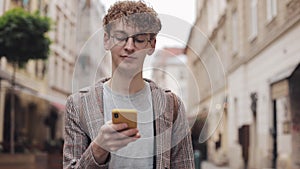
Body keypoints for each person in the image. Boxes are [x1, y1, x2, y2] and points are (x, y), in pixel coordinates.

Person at [63, 1, 195, 168]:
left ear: (151, 45)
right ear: (107, 40)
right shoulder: (79, 105)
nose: (129, 46)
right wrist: (98, 149)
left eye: (139, 39)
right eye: (120, 37)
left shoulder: (171, 105)